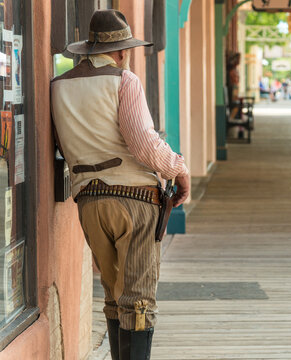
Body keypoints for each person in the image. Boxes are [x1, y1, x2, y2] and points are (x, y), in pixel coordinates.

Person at [50, 10, 190, 359]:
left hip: (89, 202)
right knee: (139, 299)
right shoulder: (124, 80)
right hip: (135, 200)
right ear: (123, 51)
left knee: (114, 295)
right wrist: (178, 168)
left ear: (87, 49)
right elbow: (144, 142)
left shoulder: (58, 87)